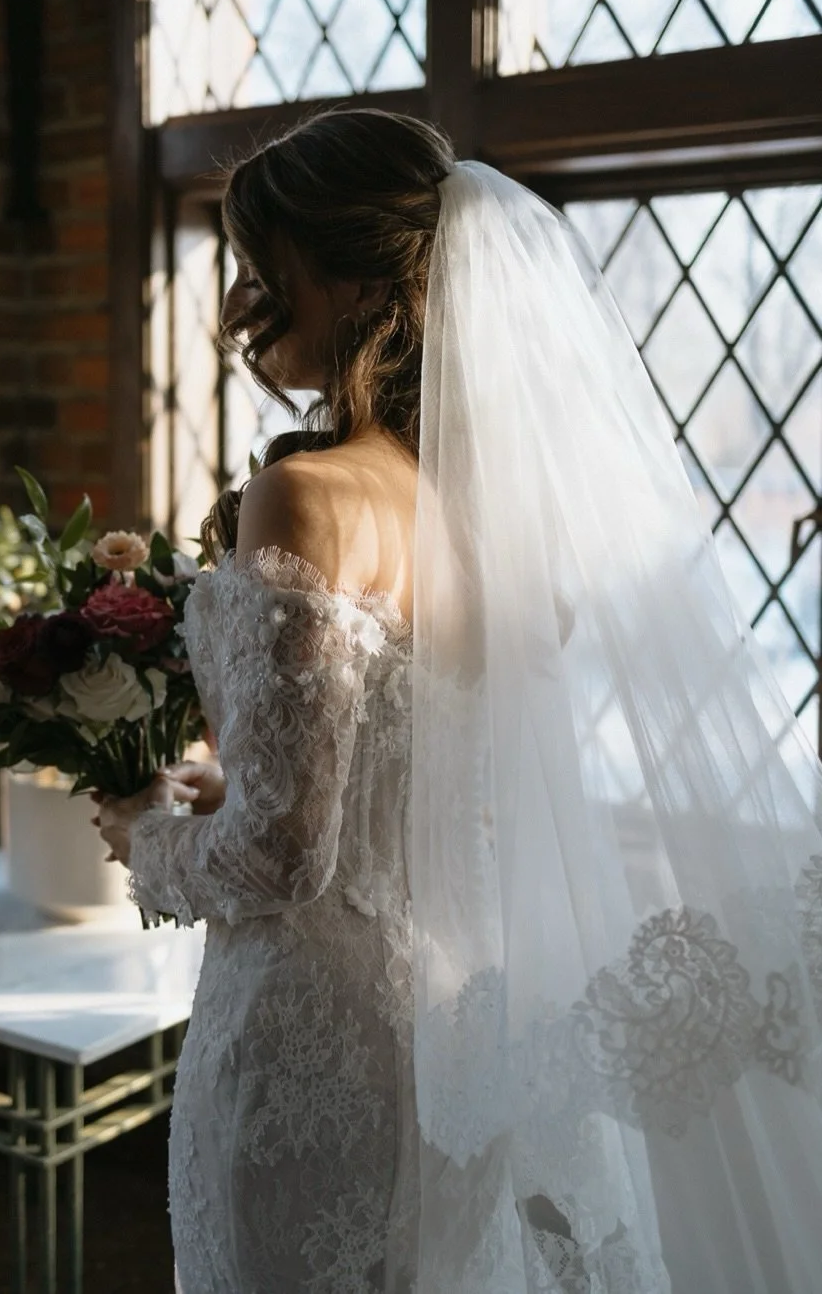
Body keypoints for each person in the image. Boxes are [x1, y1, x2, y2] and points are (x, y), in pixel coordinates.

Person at [94, 108, 822, 1292]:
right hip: (450, 1026)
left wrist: (149, 839)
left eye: (256, 267)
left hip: (307, 1034)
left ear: (342, 279)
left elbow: (282, 859)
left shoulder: (307, 495)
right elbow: (413, 765)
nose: (236, 302)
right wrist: (236, 778)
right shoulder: (488, 517)